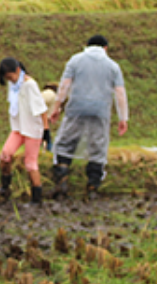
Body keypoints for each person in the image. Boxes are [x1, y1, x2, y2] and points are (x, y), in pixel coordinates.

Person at [49, 35, 128, 200]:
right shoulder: (113, 66)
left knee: (65, 143)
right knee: (98, 147)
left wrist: (56, 107)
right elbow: (120, 94)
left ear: (86, 45)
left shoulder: (75, 60)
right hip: (100, 111)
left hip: (76, 108)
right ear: (105, 48)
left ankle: (62, 179)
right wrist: (123, 118)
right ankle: (92, 187)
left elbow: (64, 85)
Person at [0, 58, 49, 206]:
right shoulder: (13, 86)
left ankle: (37, 198)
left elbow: (42, 109)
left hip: (32, 129)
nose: (9, 80)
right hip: (18, 128)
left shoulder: (30, 85)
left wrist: (46, 130)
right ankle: (5, 188)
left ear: (18, 70)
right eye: (7, 79)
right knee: (5, 155)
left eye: (10, 77)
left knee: (30, 163)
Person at [40, 82, 59, 151]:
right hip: (41, 119)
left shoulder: (43, 93)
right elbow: (50, 116)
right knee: (46, 137)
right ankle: (49, 151)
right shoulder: (54, 96)